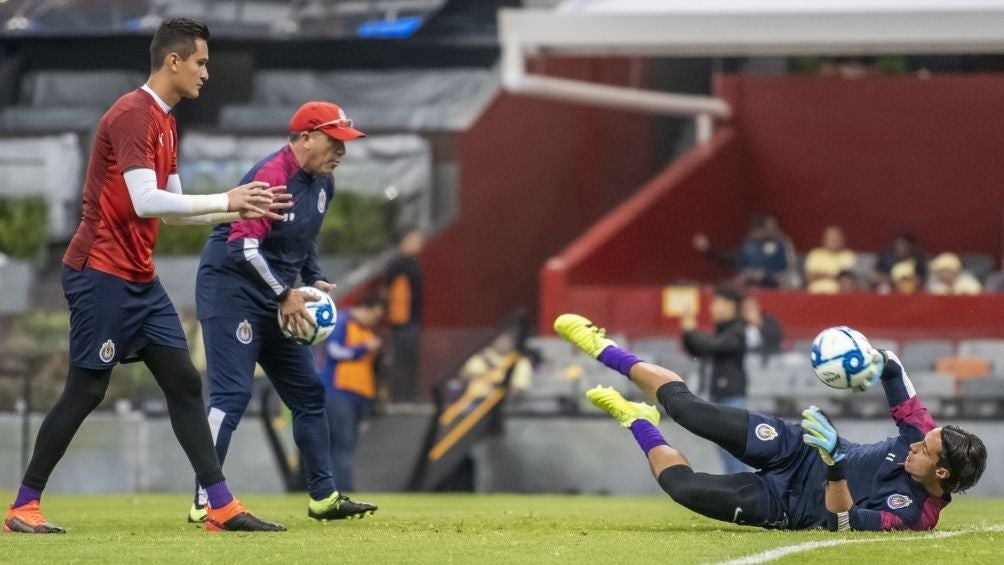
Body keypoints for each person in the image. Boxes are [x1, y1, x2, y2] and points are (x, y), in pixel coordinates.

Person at [4, 19, 290, 534]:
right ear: (173, 62)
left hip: (138, 276)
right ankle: (23, 506)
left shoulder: (166, 122)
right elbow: (145, 200)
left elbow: (172, 211)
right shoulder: (134, 115)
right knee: (87, 390)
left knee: (183, 382)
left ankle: (220, 506)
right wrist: (228, 199)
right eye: (201, 61)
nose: (208, 71)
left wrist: (237, 206)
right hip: (101, 272)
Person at [554, 313, 986, 531]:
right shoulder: (921, 429)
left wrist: (835, 462)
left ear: (941, 472)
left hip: (787, 504)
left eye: (924, 451)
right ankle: (605, 349)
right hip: (796, 447)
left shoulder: (916, 515)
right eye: (920, 440)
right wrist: (872, 359)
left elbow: (843, 522)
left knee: (682, 488)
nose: (914, 444)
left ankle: (638, 420)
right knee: (689, 411)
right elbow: (893, 370)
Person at [189, 101, 377, 522]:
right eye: (335, 141)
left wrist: (313, 275)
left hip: (277, 296)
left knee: (309, 394)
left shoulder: (324, 183)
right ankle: (206, 502)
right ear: (305, 138)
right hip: (231, 291)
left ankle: (324, 498)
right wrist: (284, 294)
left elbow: (302, 238)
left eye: (345, 143)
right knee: (231, 396)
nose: (342, 151)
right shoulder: (271, 176)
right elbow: (241, 247)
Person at [317, 295, 385, 493]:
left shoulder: (366, 331)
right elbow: (334, 350)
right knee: (341, 443)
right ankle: (340, 489)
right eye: (374, 315)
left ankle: (339, 487)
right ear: (364, 308)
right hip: (339, 392)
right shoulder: (343, 322)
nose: (375, 321)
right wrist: (363, 349)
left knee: (348, 443)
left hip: (358, 395)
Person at [679, 283, 747, 473]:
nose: (712, 308)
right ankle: (738, 493)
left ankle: (744, 493)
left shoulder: (737, 330)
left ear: (730, 305)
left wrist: (691, 331)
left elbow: (711, 346)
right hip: (721, 396)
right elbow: (697, 349)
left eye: (717, 302)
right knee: (726, 449)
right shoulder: (723, 329)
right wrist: (688, 332)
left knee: (733, 449)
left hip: (731, 397)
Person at [693, 215, 793, 289]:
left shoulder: (779, 246)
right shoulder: (747, 246)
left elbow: (785, 272)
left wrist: (765, 275)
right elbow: (727, 258)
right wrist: (708, 249)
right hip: (748, 291)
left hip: (771, 290)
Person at [385, 227, 424, 401]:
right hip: (403, 323)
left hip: (413, 321)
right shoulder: (397, 266)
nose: (419, 244)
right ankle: (399, 398)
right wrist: (399, 319)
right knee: (401, 362)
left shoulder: (413, 263)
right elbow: (391, 294)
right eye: (415, 240)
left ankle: (408, 396)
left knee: (411, 361)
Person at [804, 225, 856, 294]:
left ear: (842, 240)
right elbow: (810, 276)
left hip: (840, 296)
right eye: (831, 238)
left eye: (836, 238)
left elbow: (848, 278)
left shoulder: (848, 255)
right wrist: (835, 275)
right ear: (824, 239)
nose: (833, 240)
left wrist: (822, 274)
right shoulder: (815, 254)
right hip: (816, 295)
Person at [740, 295, 783, 367]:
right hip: (745, 359)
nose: (749, 311)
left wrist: (759, 325)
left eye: (752, 308)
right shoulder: (739, 324)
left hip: (769, 357)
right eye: (746, 308)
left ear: (758, 308)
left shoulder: (769, 321)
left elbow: (778, 336)